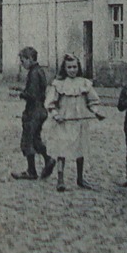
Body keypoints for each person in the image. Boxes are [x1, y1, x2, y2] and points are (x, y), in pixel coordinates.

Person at [45, 53, 106, 192]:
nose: (72, 70)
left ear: (78, 67)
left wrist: (97, 112)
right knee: (62, 149)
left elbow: (93, 101)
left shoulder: (84, 83)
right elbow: (50, 103)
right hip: (64, 122)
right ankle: (60, 179)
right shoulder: (58, 84)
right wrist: (56, 115)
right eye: (69, 67)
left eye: (74, 67)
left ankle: (80, 178)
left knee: (80, 149)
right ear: (64, 69)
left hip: (79, 121)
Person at [10, 47, 54, 180]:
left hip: (33, 111)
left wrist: (20, 94)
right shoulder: (39, 71)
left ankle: (32, 170)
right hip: (41, 110)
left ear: (30, 59)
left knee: (27, 141)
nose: (22, 64)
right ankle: (48, 160)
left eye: (23, 61)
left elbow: (32, 94)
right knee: (35, 139)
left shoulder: (33, 74)